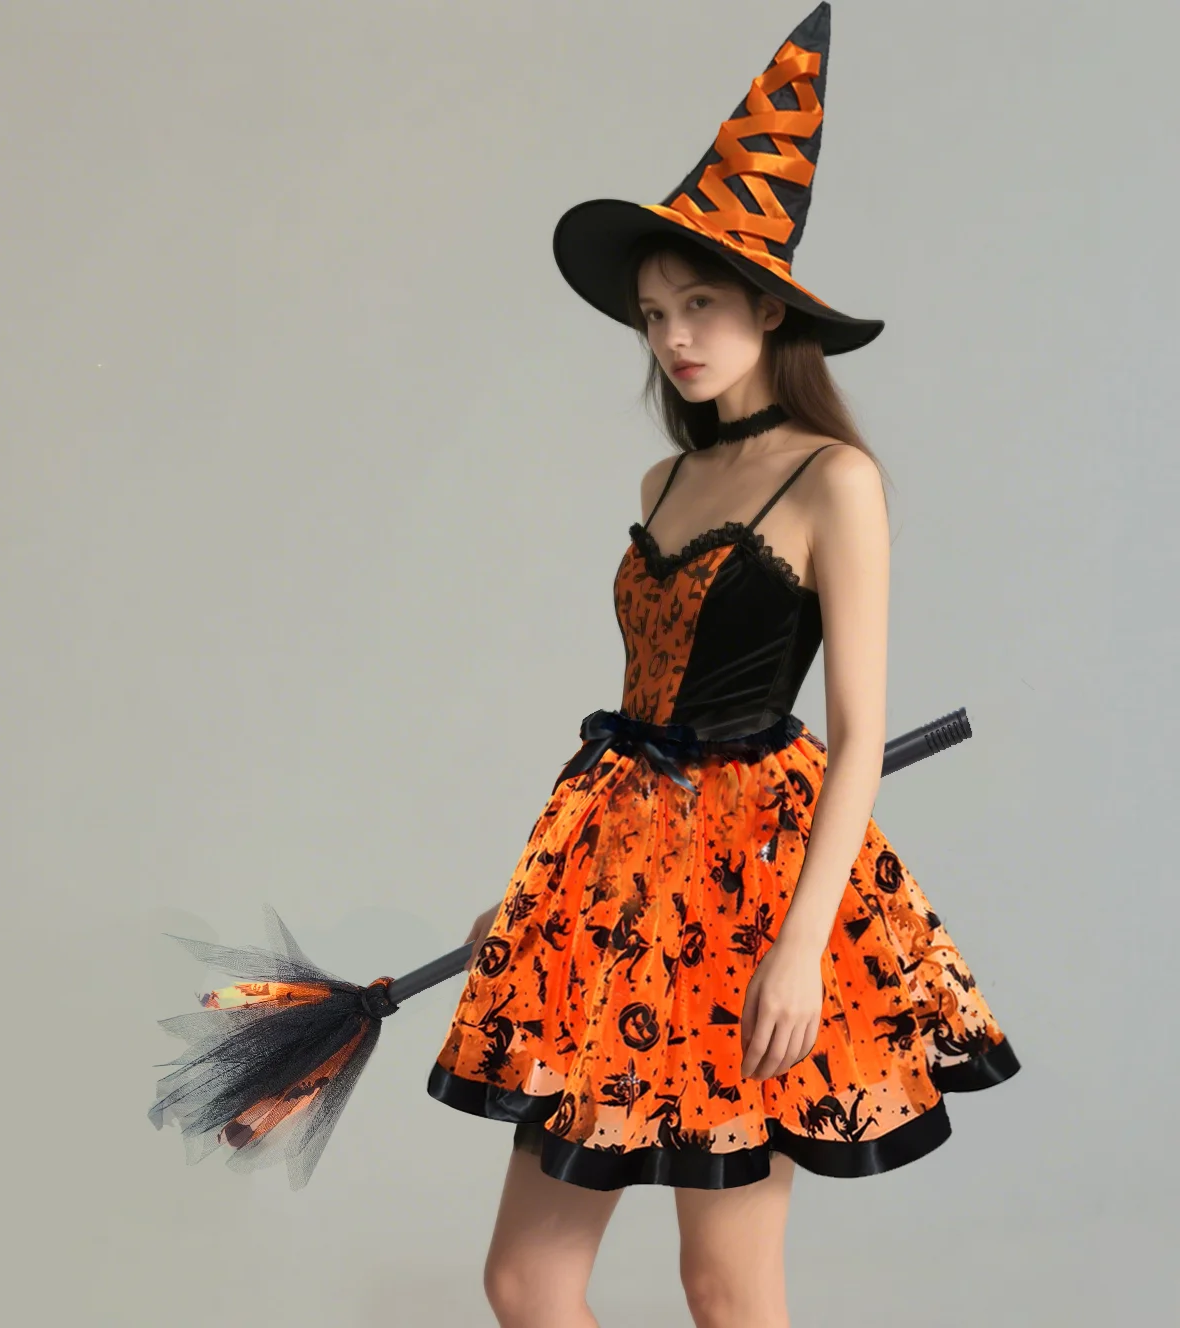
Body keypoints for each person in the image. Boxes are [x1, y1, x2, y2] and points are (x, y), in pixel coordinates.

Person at [425, 6, 1019, 1326]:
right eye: (654, 315)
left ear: (767, 305)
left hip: (752, 892)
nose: (674, 337)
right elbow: (636, 719)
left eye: (698, 304)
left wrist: (800, 950)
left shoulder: (834, 480)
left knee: (726, 1284)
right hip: (613, 879)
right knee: (526, 1282)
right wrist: (530, 906)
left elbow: (856, 737)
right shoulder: (664, 480)